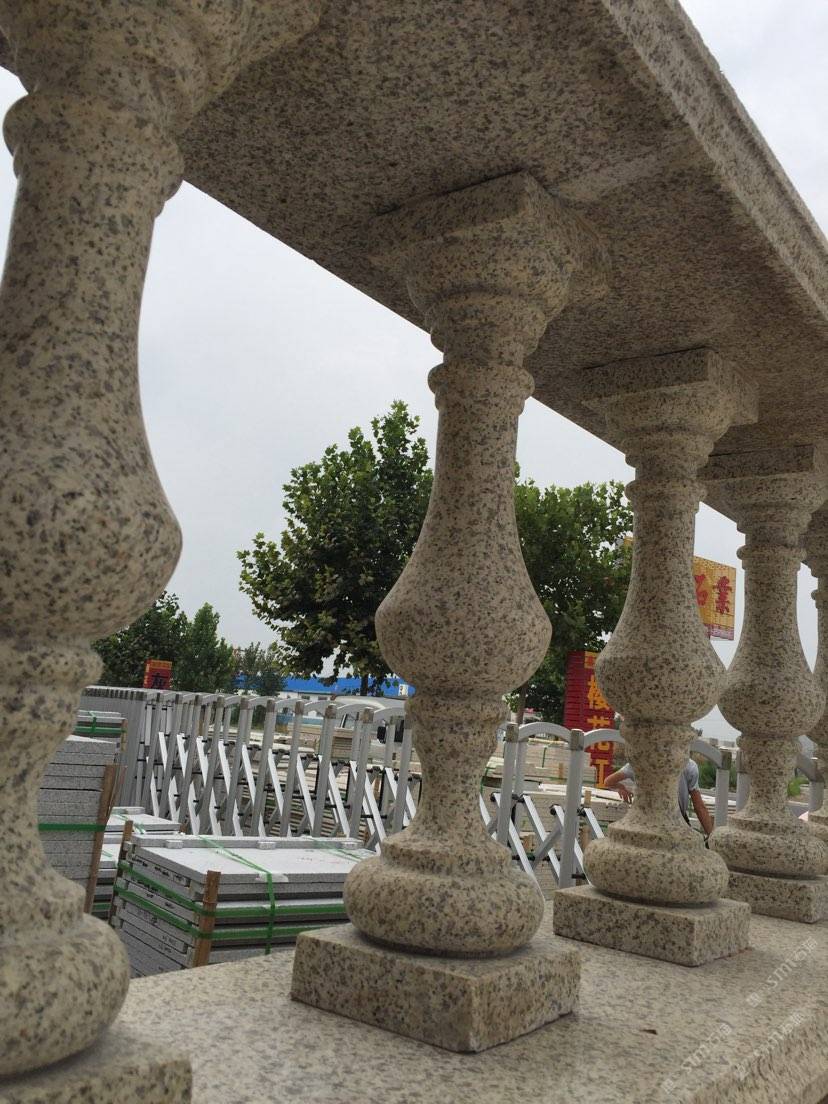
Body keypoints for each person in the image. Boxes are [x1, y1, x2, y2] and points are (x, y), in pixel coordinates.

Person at [603, 758, 714, 839]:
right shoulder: (688, 765)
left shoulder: (639, 762)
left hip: (645, 822)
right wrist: (712, 836)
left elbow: (608, 782)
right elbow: (699, 807)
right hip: (677, 822)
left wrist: (621, 787)